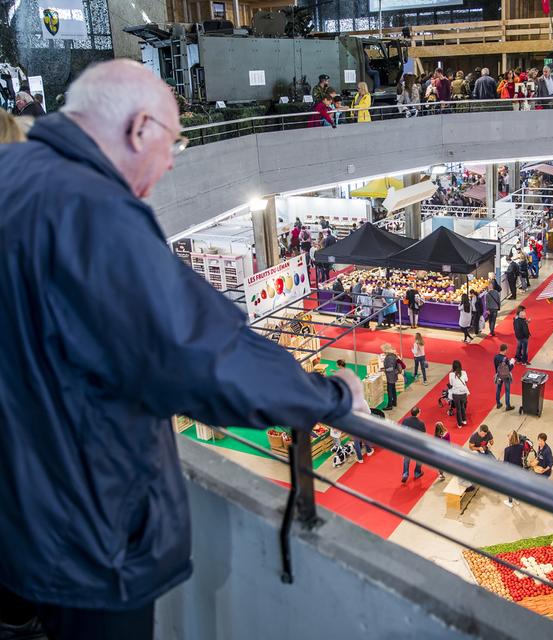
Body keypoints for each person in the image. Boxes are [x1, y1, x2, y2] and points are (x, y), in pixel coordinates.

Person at [0, 60, 369, 639]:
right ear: (140, 127)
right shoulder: (91, 209)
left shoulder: (12, 174)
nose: (174, 161)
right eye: (173, 142)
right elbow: (199, 350)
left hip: (21, 516)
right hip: (88, 536)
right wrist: (325, 396)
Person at [400, 407, 426, 483]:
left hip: (407, 443)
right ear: (418, 413)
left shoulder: (405, 420)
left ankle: (405, 473)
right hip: (417, 445)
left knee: (406, 459)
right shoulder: (421, 423)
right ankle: (417, 473)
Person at [503, 430, 524, 507]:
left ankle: (510, 502)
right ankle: (517, 499)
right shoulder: (521, 447)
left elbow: (505, 462)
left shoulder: (507, 450)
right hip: (519, 468)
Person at [494, 343, 515, 411]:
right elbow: (509, 368)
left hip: (499, 375)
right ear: (505, 350)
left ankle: (498, 403)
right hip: (506, 376)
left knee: (498, 390)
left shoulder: (496, 357)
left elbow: (496, 367)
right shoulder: (505, 359)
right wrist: (512, 363)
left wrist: (497, 374)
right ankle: (508, 405)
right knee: (507, 390)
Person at [449, 360, 469, 428]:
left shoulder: (451, 374)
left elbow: (451, 384)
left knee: (458, 409)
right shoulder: (464, 372)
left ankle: (459, 424)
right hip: (463, 393)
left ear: (453, 367)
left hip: (456, 394)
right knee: (463, 406)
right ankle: (464, 420)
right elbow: (466, 380)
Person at [382, 343, 403, 410]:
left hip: (391, 376)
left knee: (390, 390)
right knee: (393, 389)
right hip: (394, 375)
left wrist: (385, 370)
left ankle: (389, 405)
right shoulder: (393, 355)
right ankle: (394, 402)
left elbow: (391, 368)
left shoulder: (389, 357)